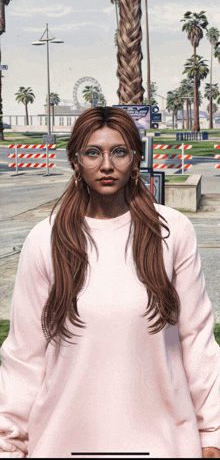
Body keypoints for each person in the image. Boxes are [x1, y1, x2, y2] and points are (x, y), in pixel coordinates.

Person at [0, 106, 219, 458]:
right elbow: (24, 356)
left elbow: (197, 340)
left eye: (119, 151)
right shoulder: (46, 240)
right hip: (62, 443)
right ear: (75, 160)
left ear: (135, 159)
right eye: (92, 152)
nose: (106, 165)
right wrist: (9, 444)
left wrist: (212, 432)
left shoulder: (173, 231)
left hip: (164, 444)